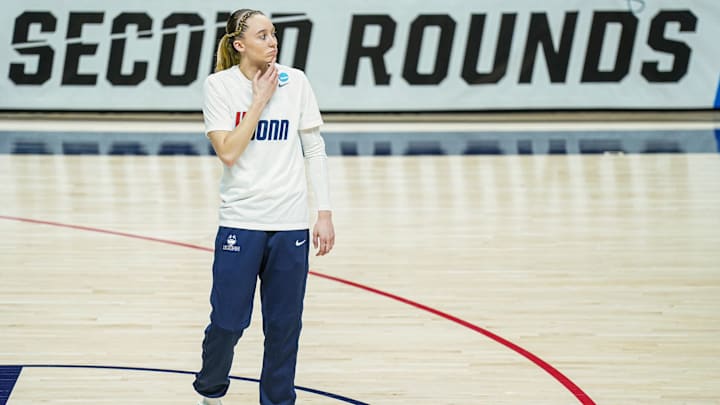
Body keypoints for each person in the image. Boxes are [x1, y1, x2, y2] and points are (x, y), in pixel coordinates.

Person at [192, 8, 334, 405]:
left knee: (285, 325)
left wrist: (323, 212)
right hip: (242, 221)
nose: (272, 42)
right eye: (262, 36)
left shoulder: (297, 81)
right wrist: (258, 101)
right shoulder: (219, 86)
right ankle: (211, 388)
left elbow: (314, 147)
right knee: (227, 322)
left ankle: (277, 401)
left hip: (289, 223)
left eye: (273, 35)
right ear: (239, 44)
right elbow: (229, 153)